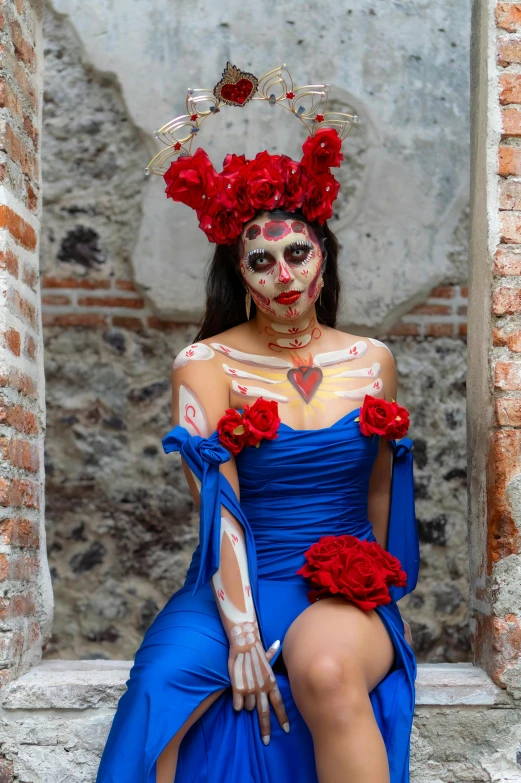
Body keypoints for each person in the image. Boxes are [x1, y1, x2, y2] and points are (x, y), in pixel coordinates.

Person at [96, 64, 419, 783]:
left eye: (297, 252)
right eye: (261, 259)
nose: (284, 274)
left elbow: (379, 493)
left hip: (338, 580)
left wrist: (381, 596)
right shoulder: (204, 364)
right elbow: (222, 508)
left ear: (323, 255)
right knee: (157, 696)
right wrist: (241, 628)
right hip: (232, 579)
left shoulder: (373, 361)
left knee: (328, 666)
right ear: (238, 274)